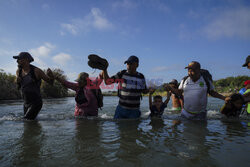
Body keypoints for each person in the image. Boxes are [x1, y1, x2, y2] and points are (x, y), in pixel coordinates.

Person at [13, 52, 54, 120]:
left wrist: (51, 76)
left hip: (36, 102)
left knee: (26, 120)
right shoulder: (18, 71)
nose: (17, 61)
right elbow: (17, 83)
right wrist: (16, 81)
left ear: (26, 60)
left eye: (19, 59)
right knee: (28, 124)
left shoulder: (36, 71)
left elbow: (51, 82)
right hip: (26, 103)